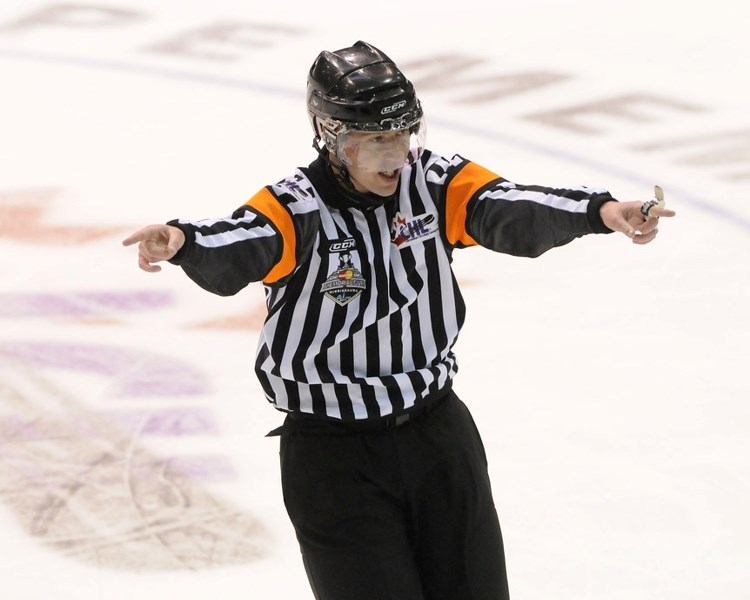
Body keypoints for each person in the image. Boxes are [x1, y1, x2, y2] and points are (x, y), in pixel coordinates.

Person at [122, 41, 675, 600]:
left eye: (405, 132)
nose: (397, 152)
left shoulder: (431, 182)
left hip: (438, 436)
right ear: (334, 138)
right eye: (378, 139)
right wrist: (183, 241)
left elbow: (508, 206)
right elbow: (240, 239)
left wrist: (599, 211)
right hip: (333, 458)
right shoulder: (296, 209)